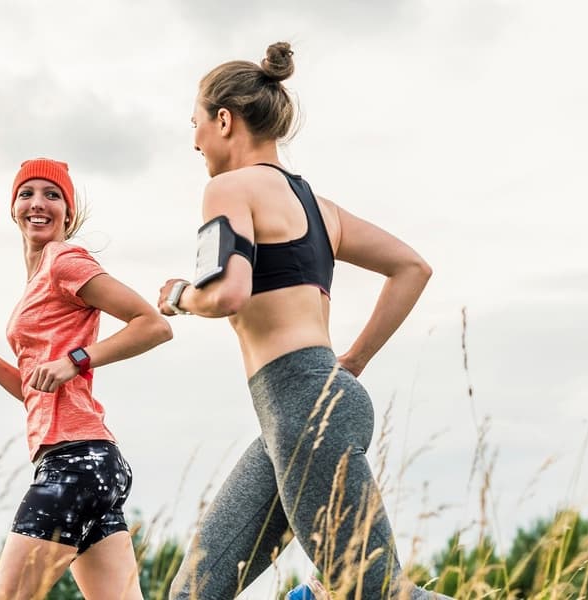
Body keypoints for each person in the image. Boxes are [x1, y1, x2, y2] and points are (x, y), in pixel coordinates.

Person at [158, 43, 442, 599]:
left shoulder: (227, 188)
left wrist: (178, 295)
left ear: (224, 120)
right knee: (195, 592)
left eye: (195, 125)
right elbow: (411, 267)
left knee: (378, 594)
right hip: (298, 412)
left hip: (302, 410)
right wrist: (352, 362)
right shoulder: (320, 207)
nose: (194, 141)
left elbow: (227, 293)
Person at [0, 158, 172, 600]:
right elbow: (37, 389)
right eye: (27, 193)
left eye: (52, 195)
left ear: (68, 214)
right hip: (93, 464)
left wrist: (77, 359)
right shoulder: (36, 279)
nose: (38, 203)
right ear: (13, 207)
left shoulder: (64, 261)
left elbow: (152, 324)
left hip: (75, 464)